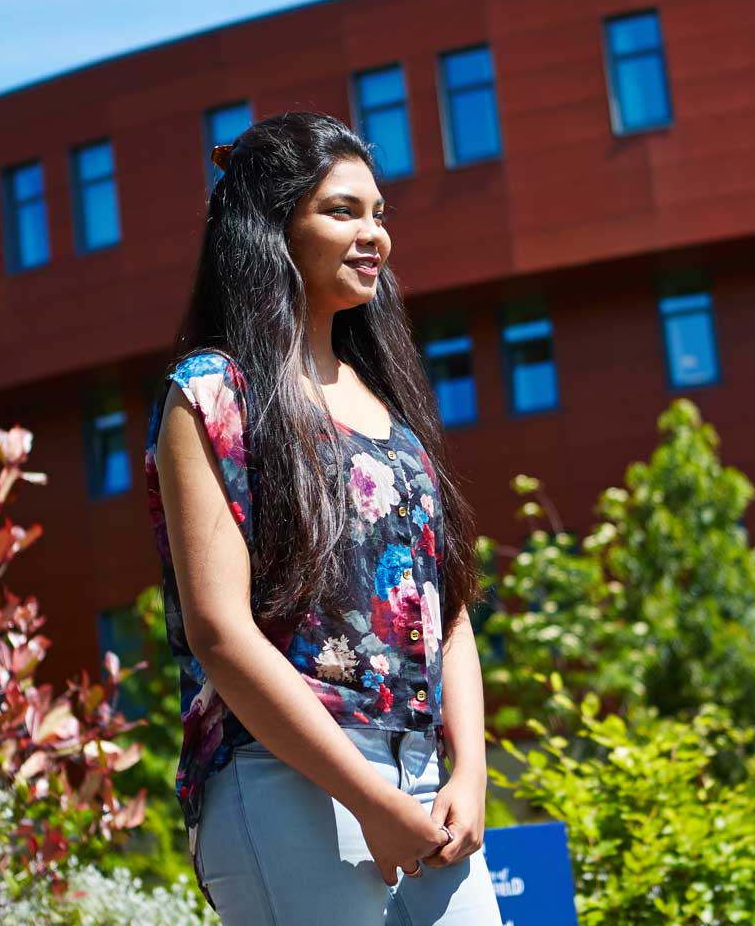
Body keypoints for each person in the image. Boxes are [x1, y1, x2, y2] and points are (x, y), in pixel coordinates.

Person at [145, 111, 502, 924]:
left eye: (380, 213)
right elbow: (219, 632)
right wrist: (367, 796)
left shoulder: (390, 406)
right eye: (343, 211)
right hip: (282, 776)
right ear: (273, 228)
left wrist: (471, 773)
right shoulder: (210, 393)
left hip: (424, 780)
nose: (374, 233)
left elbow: (447, 613)